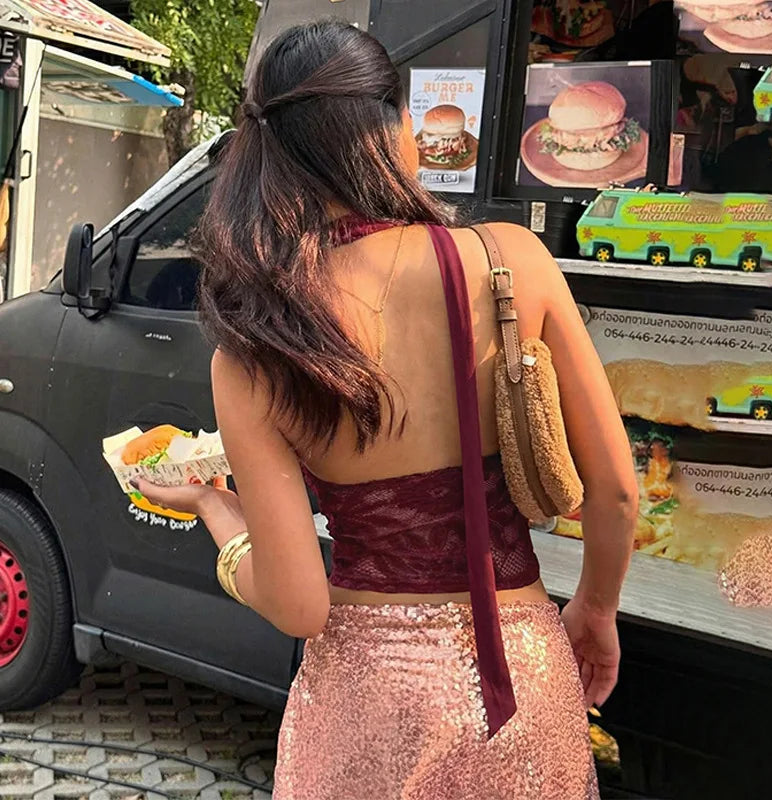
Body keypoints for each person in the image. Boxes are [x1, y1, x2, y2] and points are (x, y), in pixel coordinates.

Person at [132, 20, 637, 800]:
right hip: (522, 670)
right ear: (399, 125)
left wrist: (215, 511)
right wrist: (596, 608)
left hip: (366, 698)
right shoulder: (513, 261)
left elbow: (300, 605)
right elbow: (617, 494)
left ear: (269, 154)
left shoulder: (257, 342)